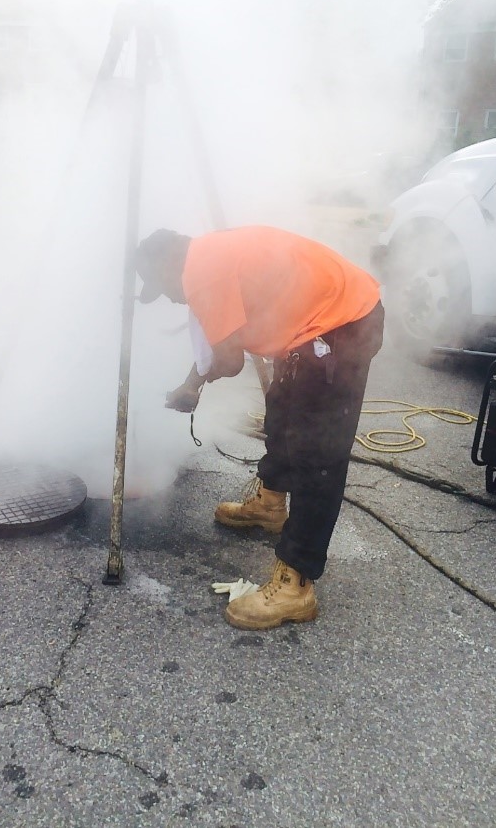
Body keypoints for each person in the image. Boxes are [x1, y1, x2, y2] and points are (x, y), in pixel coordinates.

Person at [135, 226, 384, 631]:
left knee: (318, 453)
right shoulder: (203, 259)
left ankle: (296, 584)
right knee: (283, 409)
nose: (169, 297)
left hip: (343, 323)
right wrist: (191, 385)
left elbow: (229, 360)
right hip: (311, 326)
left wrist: (192, 388)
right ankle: (270, 505)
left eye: (161, 287)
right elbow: (214, 348)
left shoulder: (201, 273)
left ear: (167, 264)